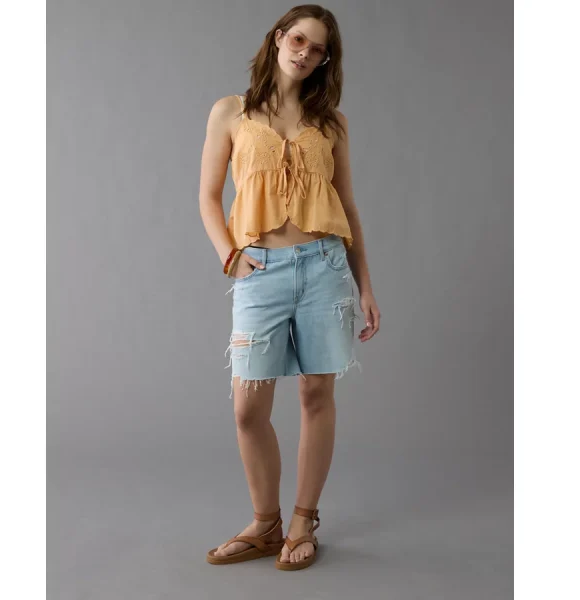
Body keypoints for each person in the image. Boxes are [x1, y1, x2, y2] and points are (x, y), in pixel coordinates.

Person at [200, 4, 380, 571]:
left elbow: (347, 206)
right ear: (279, 38)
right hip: (260, 272)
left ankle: (303, 520)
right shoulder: (231, 112)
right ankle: (265, 522)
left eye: (318, 49)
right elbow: (207, 197)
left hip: (325, 268)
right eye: (299, 40)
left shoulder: (332, 124)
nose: (305, 53)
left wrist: (365, 285)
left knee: (315, 396)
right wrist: (230, 256)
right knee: (247, 408)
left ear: (325, 60)